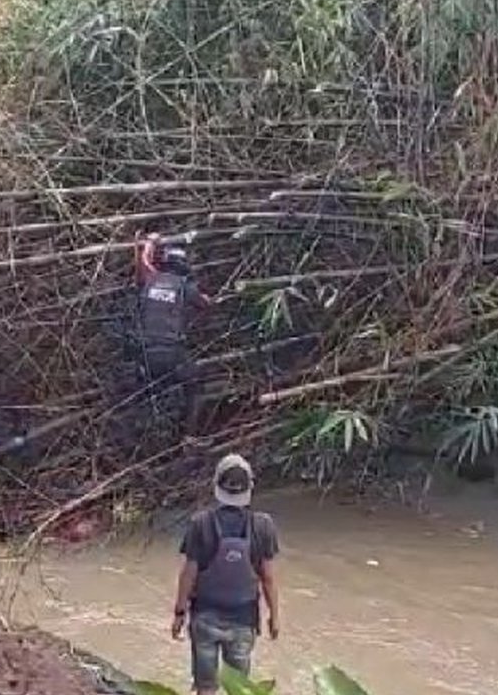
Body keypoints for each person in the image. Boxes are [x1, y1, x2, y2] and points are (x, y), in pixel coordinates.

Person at [171, 454, 280, 695]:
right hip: (243, 620)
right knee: (239, 689)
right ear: (249, 487)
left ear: (216, 486)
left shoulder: (200, 523)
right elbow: (268, 578)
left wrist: (179, 613)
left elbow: (188, 575)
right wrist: (274, 616)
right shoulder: (263, 526)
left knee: (206, 688)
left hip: (205, 618)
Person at [134, 232, 212, 440]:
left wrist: (149, 242)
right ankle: (189, 436)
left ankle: (141, 432)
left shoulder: (151, 279)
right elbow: (205, 304)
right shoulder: (184, 286)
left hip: (146, 354)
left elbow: (143, 261)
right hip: (172, 354)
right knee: (195, 383)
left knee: (144, 391)